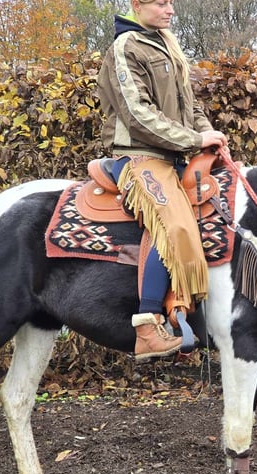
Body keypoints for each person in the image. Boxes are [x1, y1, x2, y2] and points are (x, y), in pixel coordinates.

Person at [97, 0, 228, 360]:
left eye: (172, 3)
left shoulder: (166, 42)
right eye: (161, 2)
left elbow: (191, 107)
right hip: (139, 156)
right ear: (137, 5)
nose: (170, 9)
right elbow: (137, 113)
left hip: (174, 156)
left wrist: (208, 133)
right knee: (173, 225)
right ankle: (147, 324)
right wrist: (193, 141)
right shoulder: (125, 47)